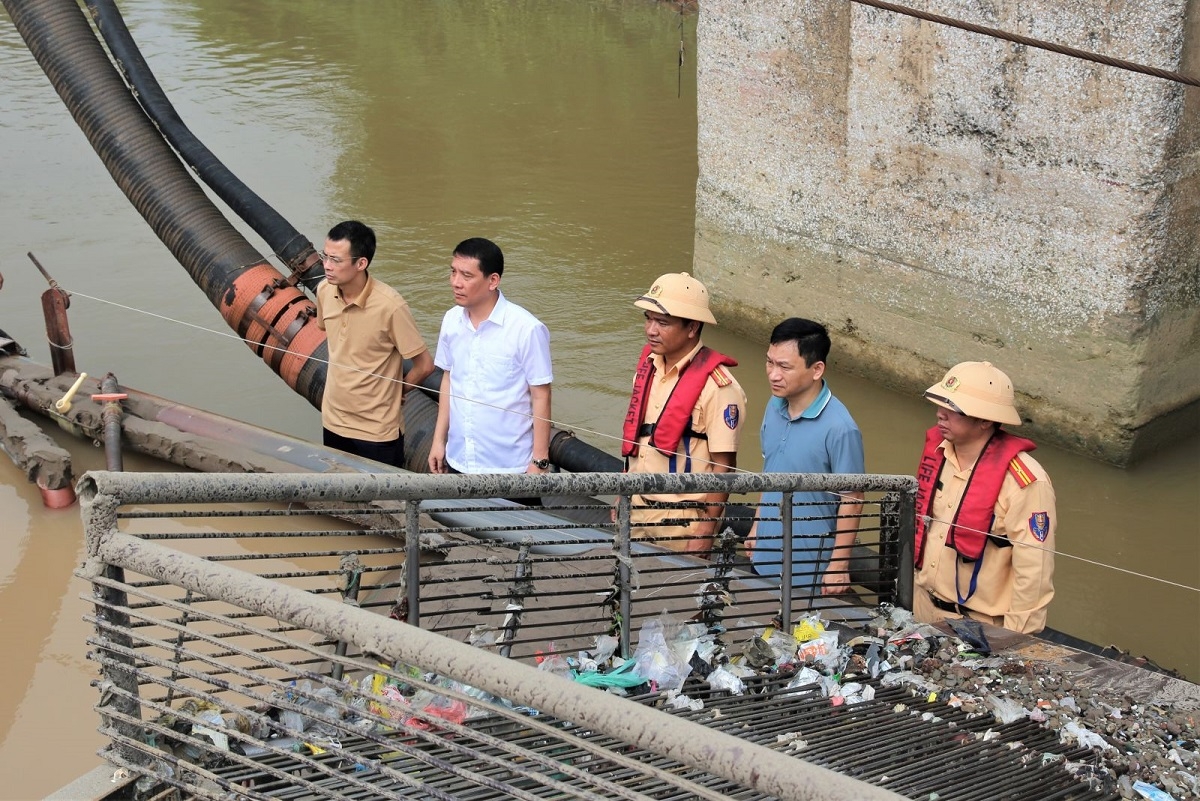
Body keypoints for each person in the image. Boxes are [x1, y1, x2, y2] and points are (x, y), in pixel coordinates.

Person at [913, 361, 1056, 634]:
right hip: (922, 608)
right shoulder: (939, 455)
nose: (940, 414)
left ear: (986, 420)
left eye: (953, 408)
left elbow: (1034, 575)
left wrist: (1014, 642)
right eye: (941, 403)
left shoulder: (1025, 482)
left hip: (979, 627)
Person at [622, 272, 747, 554]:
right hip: (636, 511)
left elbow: (724, 466)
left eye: (662, 322)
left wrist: (705, 532)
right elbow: (637, 444)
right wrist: (623, 495)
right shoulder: (648, 370)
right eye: (648, 318)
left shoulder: (719, 387)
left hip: (680, 523)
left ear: (692, 327)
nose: (651, 330)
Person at [746, 318, 865, 594]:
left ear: (816, 369)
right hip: (763, 558)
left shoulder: (841, 428)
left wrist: (838, 566)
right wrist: (755, 528)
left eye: (784, 367)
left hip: (808, 572)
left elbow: (852, 499)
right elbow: (770, 471)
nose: (773, 374)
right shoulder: (773, 406)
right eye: (770, 362)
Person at [428, 237, 553, 476]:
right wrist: (438, 441)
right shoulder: (451, 320)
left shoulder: (526, 329)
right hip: (459, 458)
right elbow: (448, 380)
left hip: (509, 466)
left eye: (466, 276)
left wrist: (540, 461)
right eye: (453, 272)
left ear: (492, 280)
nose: (456, 283)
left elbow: (541, 395)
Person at [315, 220, 433, 468]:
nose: (326, 265)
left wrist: (399, 390)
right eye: (324, 256)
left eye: (336, 260)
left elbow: (424, 366)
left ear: (361, 263)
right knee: (339, 494)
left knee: (384, 503)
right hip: (333, 421)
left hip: (377, 431)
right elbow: (328, 333)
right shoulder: (324, 291)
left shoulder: (391, 306)